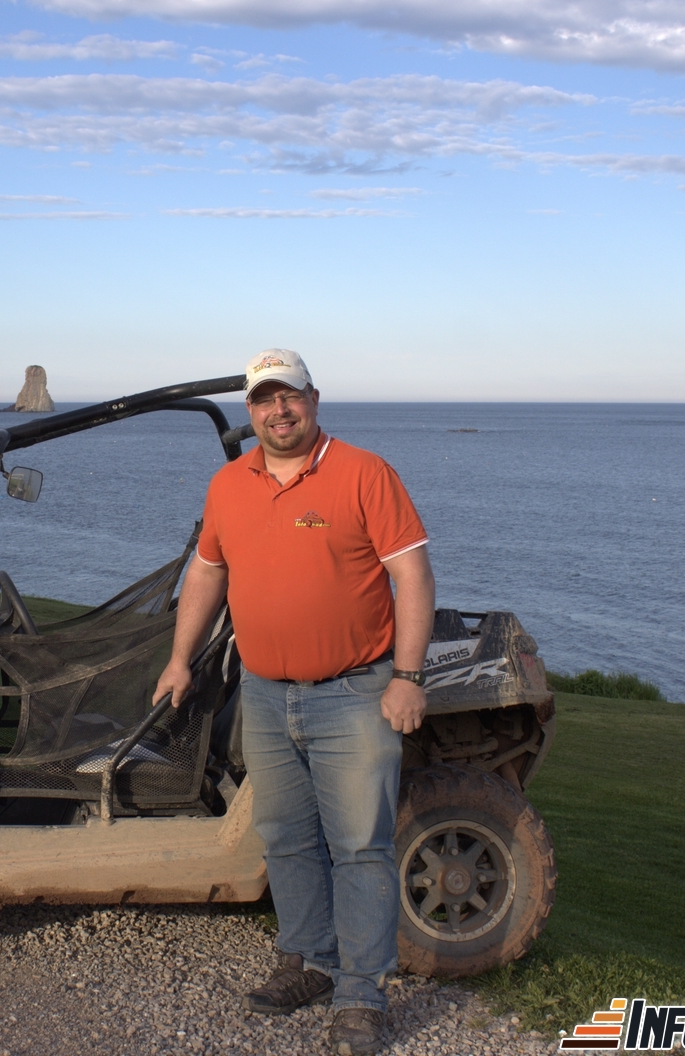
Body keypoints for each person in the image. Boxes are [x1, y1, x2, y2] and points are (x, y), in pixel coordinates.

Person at [152, 349, 434, 1056]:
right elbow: (207, 576)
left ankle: (362, 995)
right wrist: (180, 659)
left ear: (314, 398)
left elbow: (414, 577)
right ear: (251, 412)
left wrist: (408, 676)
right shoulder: (229, 484)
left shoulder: (365, 473)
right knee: (286, 837)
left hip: (356, 694)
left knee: (361, 848)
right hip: (267, 695)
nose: (279, 411)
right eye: (265, 400)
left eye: (291, 396)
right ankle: (309, 961)